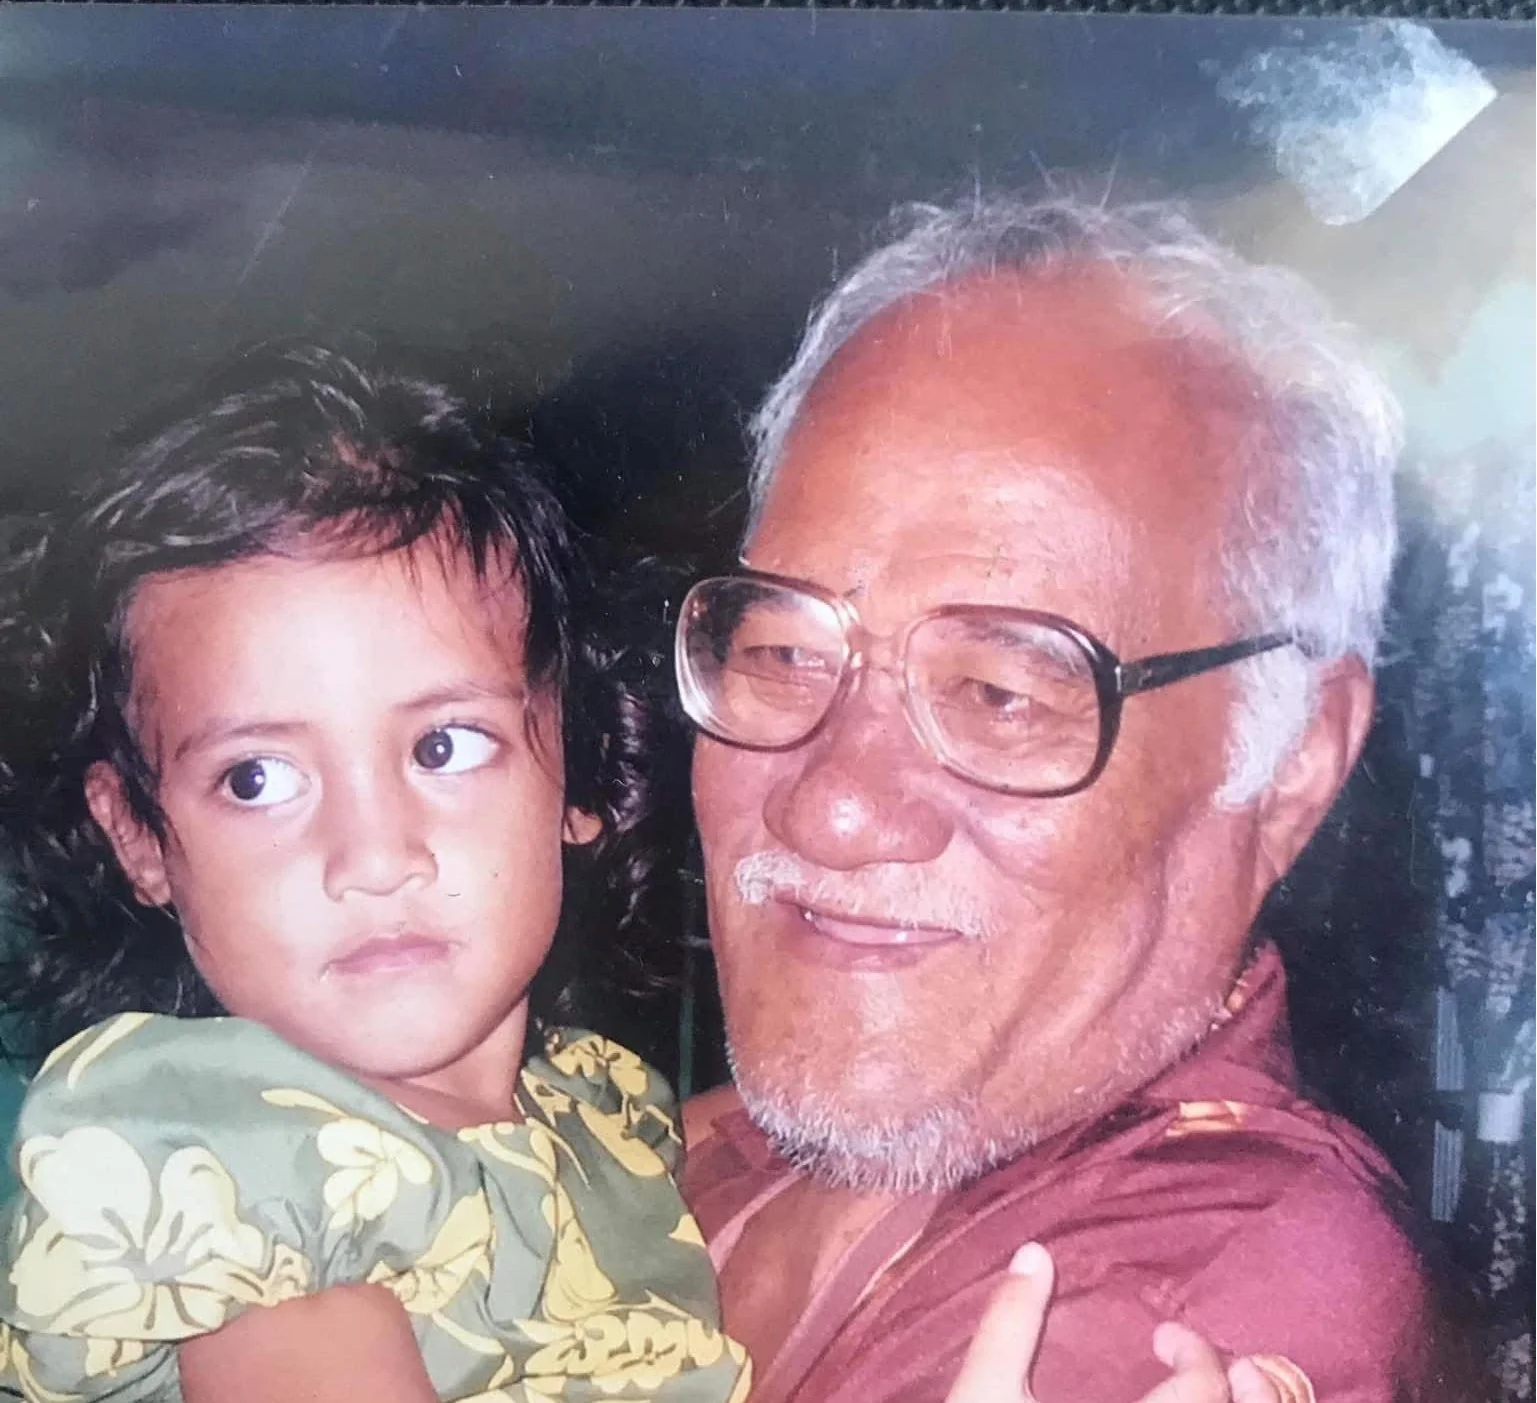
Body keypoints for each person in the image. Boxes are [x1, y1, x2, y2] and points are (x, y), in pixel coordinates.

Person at [675, 195, 1470, 1401]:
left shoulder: (1185, 1310)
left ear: (1290, 761)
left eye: (998, 690)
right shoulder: (648, 1137)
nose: (830, 808)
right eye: (783, 653)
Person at [0, 342, 751, 1402]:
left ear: (579, 765)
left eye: (444, 747)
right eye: (257, 778)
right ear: (139, 837)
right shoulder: (249, 1179)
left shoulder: (589, 1100)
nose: (373, 857)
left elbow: (720, 1126)